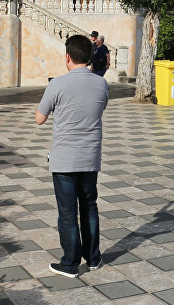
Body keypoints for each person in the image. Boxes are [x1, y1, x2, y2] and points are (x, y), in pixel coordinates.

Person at [36, 34, 109, 278]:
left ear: (68, 57)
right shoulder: (101, 84)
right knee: (89, 207)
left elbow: (39, 118)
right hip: (90, 158)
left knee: (67, 213)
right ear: (89, 57)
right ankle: (93, 259)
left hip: (64, 159)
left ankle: (69, 263)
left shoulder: (57, 84)